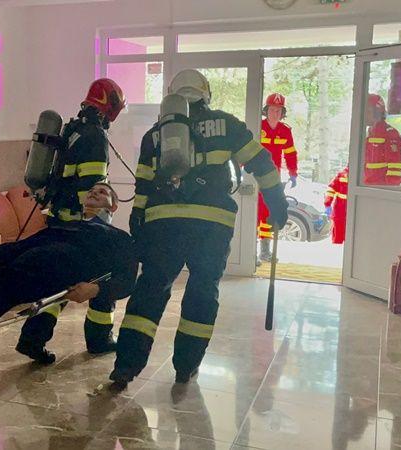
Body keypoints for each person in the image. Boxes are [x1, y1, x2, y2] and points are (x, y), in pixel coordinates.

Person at [109, 69, 289, 389]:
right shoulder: (227, 125)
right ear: (206, 94)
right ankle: (186, 366)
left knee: (150, 290)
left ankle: (126, 366)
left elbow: (143, 185)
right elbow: (262, 163)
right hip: (212, 225)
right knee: (202, 292)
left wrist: (138, 220)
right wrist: (277, 204)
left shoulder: (155, 134)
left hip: (164, 225)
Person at [0, 183, 138, 342]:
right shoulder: (66, 225)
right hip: (23, 252)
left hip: (47, 267)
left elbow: (128, 281)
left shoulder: (119, 238)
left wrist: (95, 289)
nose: (94, 192)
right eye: (92, 190)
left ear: (113, 207)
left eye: (103, 192)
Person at [16, 78, 127, 364]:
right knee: (105, 274)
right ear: (110, 106)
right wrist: (98, 225)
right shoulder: (95, 136)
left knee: (59, 280)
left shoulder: (72, 128)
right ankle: (100, 338)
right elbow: (90, 188)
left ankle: (33, 338)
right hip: (82, 226)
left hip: (59, 219)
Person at [258, 92, 298, 262]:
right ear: (266, 110)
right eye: (272, 109)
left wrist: (293, 173)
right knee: (254, 212)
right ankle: (249, 253)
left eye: (279, 110)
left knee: (269, 212)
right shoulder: (258, 126)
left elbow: (290, 154)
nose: (275, 113)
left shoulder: (285, 131)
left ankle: (265, 252)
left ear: (283, 113)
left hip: (274, 179)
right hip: (255, 175)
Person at [364, 93, 401, 186]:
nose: (364, 115)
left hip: (380, 189)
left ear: (377, 112)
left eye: (368, 111)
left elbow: (395, 167)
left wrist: (389, 190)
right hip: (364, 187)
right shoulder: (366, 133)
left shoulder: (390, 133)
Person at [325, 166, 349, 244]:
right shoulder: (341, 175)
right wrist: (327, 204)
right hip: (340, 208)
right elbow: (331, 189)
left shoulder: (343, 174)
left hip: (343, 208)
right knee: (338, 233)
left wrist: (327, 204)